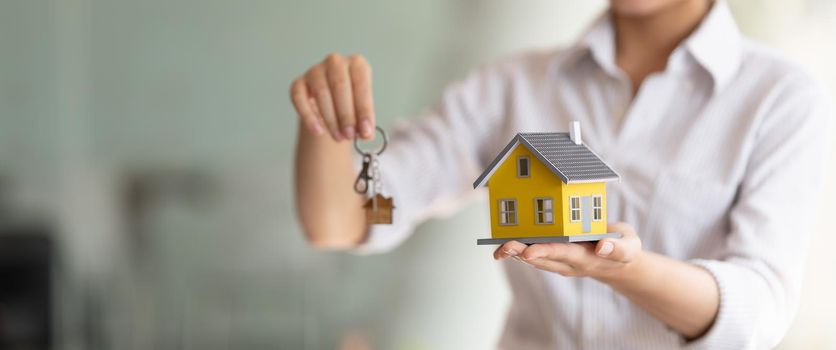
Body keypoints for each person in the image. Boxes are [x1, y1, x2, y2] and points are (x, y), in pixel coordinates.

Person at [290, 0, 832, 348]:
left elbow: (756, 315)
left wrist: (623, 270)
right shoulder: (511, 85)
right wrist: (323, 121)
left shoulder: (780, 97)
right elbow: (343, 221)